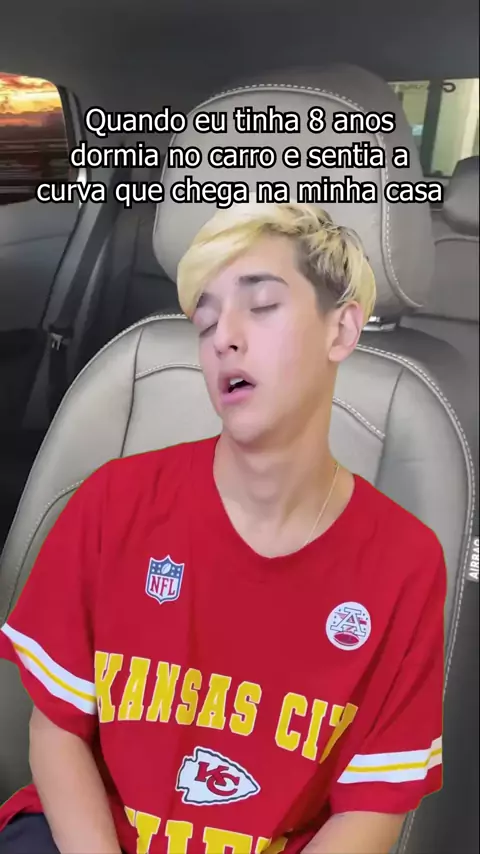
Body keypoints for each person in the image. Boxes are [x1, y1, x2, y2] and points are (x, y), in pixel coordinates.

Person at [0, 201, 446, 854]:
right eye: (205, 320)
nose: (223, 338)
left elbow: (371, 810)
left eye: (261, 306)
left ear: (342, 329)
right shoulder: (113, 503)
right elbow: (57, 727)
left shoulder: (403, 562)